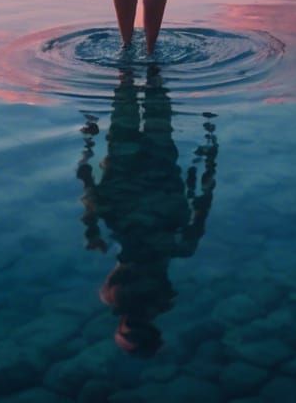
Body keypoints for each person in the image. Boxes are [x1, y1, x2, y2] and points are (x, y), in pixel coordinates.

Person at [76, 66, 218, 354]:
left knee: (145, 103)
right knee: (133, 100)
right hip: (140, 178)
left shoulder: (175, 247)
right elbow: (203, 202)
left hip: (144, 176)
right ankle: (144, 67)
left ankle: (146, 68)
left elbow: (204, 202)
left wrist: (210, 155)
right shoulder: (169, 246)